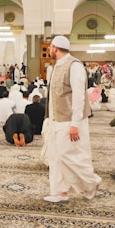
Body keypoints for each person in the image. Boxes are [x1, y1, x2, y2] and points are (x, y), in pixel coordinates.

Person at [44, 35, 101, 203]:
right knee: (55, 156)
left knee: (67, 156)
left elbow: (78, 97)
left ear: (55, 48)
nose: (49, 50)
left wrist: (75, 124)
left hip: (70, 121)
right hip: (56, 120)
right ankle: (60, 192)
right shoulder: (56, 66)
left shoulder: (74, 65)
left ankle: (91, 182)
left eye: (50, 47)